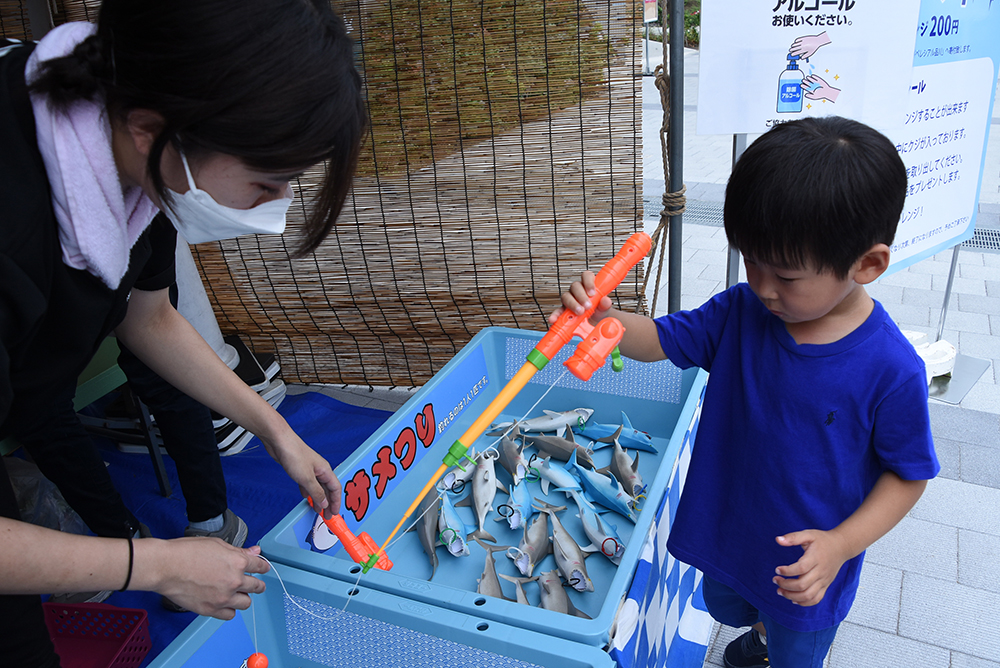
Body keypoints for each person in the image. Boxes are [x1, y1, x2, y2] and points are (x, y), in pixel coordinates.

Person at [0, 0, 366, 664]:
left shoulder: (141, 138)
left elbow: (151, 316)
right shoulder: (13, 220)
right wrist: (155, 567)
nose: (277, 206)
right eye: (266, 182)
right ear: (150, 129)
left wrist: (276, 431)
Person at [553, 117, 939, 667]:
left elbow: (909, 475)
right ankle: (757, 631)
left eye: (784, 275)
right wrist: (603, 320)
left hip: (808, 563)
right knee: (725, 604)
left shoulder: (890, 369)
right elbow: (659, 338)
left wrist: (840, 546)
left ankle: (772, 642)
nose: (761, 286)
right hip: (730, 532)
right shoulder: (741, 310)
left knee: (794, 652)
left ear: (868, 264)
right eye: (750, 260)